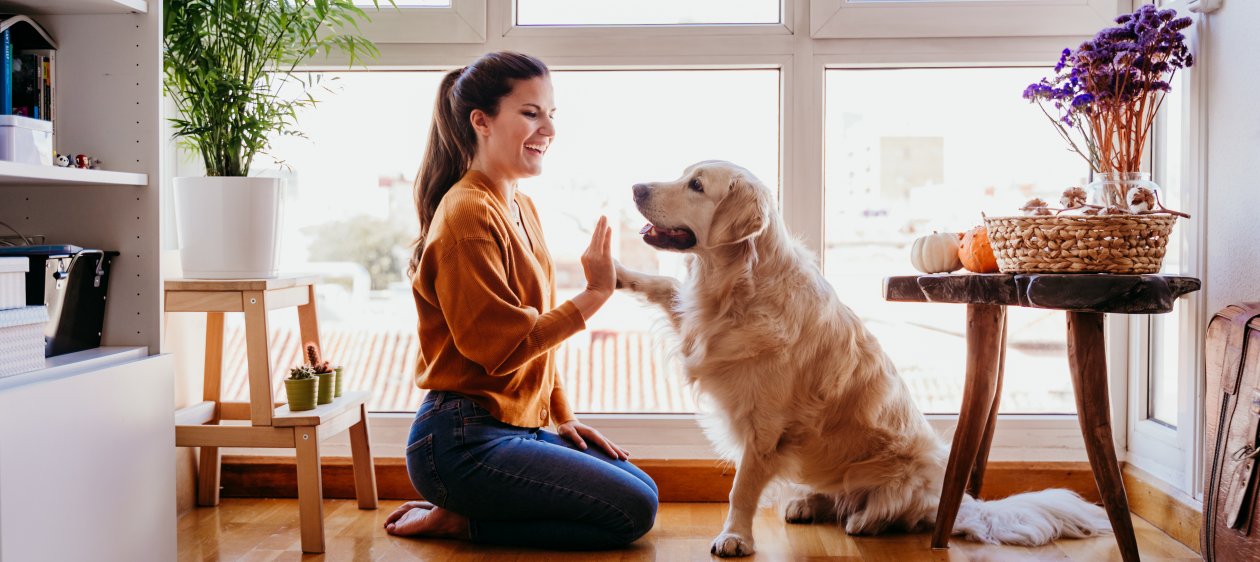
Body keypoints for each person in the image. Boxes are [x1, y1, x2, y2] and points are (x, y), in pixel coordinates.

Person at [385, 51, 659, 549]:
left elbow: (536, 340)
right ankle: (461, 520)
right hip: (459, 440)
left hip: (515, 426)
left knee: (644, 488)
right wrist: (596, 293)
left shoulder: (519, 204)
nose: (548, 128)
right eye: (531, 113)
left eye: (552, 114)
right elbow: (502, 349)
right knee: (632, 511)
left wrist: (562, 415)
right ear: (481, 121)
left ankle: (467, 511)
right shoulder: (467, 215)